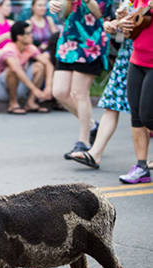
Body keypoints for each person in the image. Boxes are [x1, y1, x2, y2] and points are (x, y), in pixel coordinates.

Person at [69, 3, 135, 169]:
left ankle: (142, 162)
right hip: (128, 54)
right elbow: (117, 23)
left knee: (143, 111)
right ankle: (94, 154)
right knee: (111, 103)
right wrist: (113, 24)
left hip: (146, 54)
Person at [49, 0, 113, 159]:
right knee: (59, 92)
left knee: (79, 93)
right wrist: (54, 4)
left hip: (91, 42)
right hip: (68, 41)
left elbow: (100, 13)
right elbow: (62, 9)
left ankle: (83, 142)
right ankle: (92, 125)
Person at [118, 0, 153, 184]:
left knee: (148, 116)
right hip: (137, 60)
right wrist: (122, 24)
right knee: (136, 115)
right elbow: (127, 25)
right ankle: (141, 167)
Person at [0, 21, 52, 114]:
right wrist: (35, 90)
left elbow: (48, 64)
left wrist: (48, 87)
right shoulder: (9, 49)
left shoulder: (30, 48)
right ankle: (13, 103)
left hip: (19, 85)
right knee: (13, 70)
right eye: (28, 33)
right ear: (19, 37)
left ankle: (30, 102)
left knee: (39, 66)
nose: (32, 35)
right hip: (1, 90)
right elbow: (16, 69)